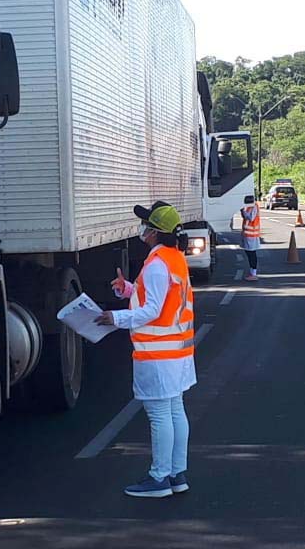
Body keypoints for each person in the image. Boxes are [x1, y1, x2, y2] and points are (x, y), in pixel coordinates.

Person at [94, 201, 196, 498]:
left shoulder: (157, 264)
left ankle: (159, 478)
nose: (142, 229)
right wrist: (126, 289)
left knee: (160, 414)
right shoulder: (174, 258)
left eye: (146, 224)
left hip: (157, 353)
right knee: (175, 410)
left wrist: (116, 317)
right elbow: (160, 299)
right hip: (176, 351)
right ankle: (177, 474)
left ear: (154, 231)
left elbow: (152, 310)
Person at [240, 195, 261, 281]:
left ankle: (253, 273)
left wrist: (243, 212)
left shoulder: (254, 206)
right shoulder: (249, 206)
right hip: (248, 234)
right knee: (249, 253)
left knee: (251, 254)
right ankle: (252, 272)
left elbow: (251, 217)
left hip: (252, 235)